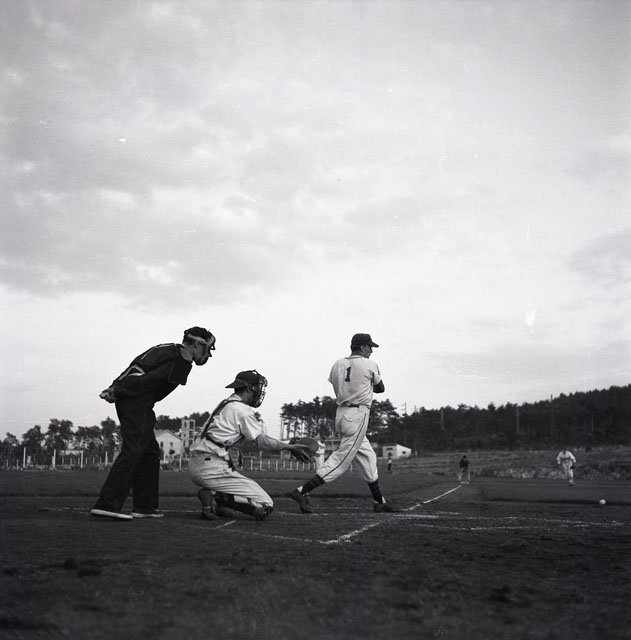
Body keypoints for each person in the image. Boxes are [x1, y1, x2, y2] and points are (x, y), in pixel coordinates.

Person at [90, 327, 216, 520]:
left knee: (149, 451)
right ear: (198, 344)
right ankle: (107, 505)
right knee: (134, 449)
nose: (208, 355)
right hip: (136, 398)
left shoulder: (167, 348)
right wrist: (120, 391)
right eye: (207, 349)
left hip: (132, 396)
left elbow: (134, 367)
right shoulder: (183, 359)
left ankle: (144, 506)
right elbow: (151, 380)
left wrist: (115, 387)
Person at [288, 333, 397, 514]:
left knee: (368, 457)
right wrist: (367, 384)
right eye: (369, 347)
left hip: (341, 414)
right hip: (358, 415)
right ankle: (302, 491)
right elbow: (381, 388)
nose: (371, 351)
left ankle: (379, 501)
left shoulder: (337, 364)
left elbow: (337, 387)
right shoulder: (369, 364)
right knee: (342, 460)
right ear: (362, 347)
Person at [189, 370, 313, 521]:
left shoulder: (226, 404)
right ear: (248, 388)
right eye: (257, 388)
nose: (259, 392)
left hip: (198, 463)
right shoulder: (242, 410)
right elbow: (262, 442)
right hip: (212, 467)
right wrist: (290, 447)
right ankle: (213, 495)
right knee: (265, 505)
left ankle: (216, 503)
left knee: (235, 470)